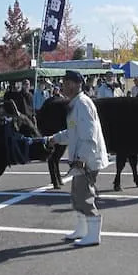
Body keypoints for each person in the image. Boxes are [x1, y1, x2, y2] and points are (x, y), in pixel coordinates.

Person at [47, 70, 109, 247]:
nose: (63, 86)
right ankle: (82, 230)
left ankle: (93, 235)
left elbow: (89, 135)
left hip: (86, 158)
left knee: (84, 196)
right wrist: (55, 138)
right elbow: (73, 132)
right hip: (81, 158)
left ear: (75, 84)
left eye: (66, 83)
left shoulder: (82, 104)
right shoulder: (75, 103)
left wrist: (81, 158)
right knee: (77, 195)